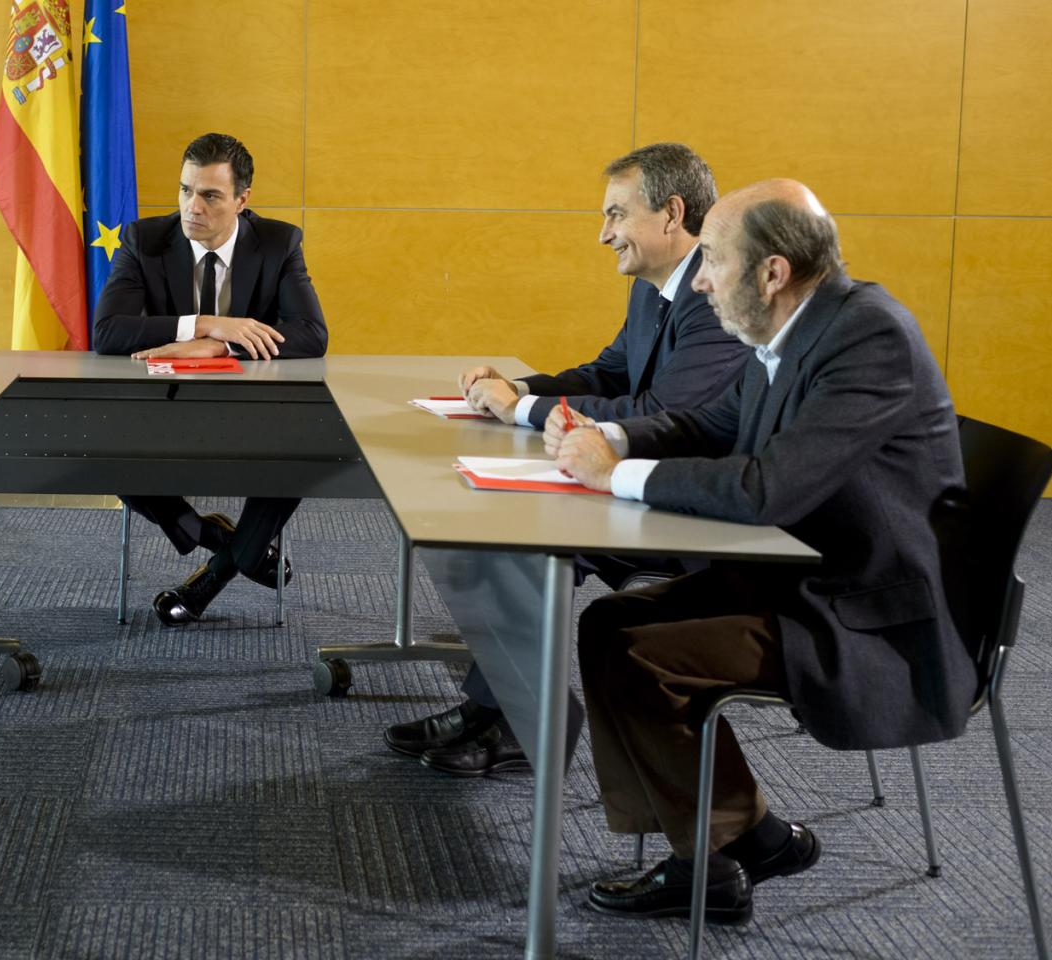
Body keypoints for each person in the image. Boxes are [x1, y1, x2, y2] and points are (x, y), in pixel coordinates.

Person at [552, 179, 970, 924]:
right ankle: (752, 836)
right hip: (795, 576)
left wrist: (615, 476)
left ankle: (704, 868)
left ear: (772, 272)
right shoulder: (796, 327)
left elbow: (764, 491)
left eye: (712, 259)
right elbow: (711, 424)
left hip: (861, 612)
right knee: (606, 625)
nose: (701, 279)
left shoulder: (869, 335)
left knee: (645, 660)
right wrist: (608, 436)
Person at [386, 143, 750, 776]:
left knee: (520, 544)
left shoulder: (712, 294)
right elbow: (609, 372)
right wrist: (518, 390)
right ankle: (505, 712)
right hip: (638, 492)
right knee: (498, 540)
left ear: (670, 214)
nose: (603, 234)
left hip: (695, 510)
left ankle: (527, 723)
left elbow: (661, 412)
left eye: (615, 215)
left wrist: (517, 411)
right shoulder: (653, 286)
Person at [93, 132, 328, 625]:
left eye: (210, 195)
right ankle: (213, 536)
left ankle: (221, 568)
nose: (191, 207)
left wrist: (222, 346)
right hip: (165, 407)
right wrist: (204, 324)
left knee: (304, 442)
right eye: (184, 190)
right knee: (105, 448)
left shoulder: (279, 242)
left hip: (254, 412)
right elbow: (108, 332)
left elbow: (311, 334)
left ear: (242, 201)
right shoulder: (145, 241)